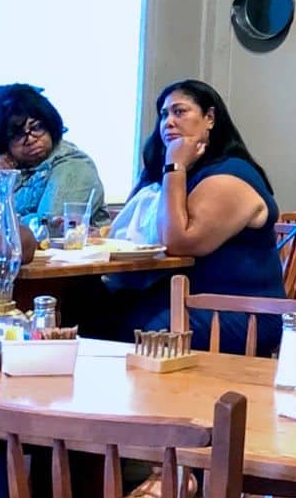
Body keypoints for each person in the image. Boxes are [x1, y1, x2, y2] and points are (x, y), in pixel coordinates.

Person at [107, 80, 282, 352]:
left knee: (132, 328)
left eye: (179, 112)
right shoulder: (178, 171)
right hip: (179, 298)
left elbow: (178, 242)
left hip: (236, 309)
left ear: (209, 117)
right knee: (86, 308)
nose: (168, 122)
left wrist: (174, 166)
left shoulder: (230, 176)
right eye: (164, 115)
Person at [0, 83, 108, 240]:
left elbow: (49, 230)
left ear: (49, 123)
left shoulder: (74, 165)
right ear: (3, 143)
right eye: (17, 134)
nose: (30, 139)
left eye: (36, 127)